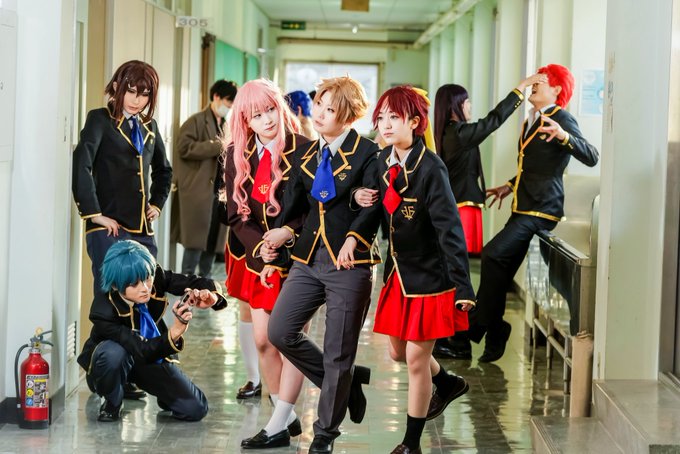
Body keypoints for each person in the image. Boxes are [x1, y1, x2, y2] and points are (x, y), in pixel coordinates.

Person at [263, 75, 381, 453]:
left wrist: (353, 237)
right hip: (308, 258)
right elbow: (296, 209)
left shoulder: (368, 153)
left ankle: (325, 434)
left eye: (330, 109)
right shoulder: (306, 155)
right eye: (318, 105)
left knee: (338, 353)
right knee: (280, 331)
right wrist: (282, 233)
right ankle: (347, 382)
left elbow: (373, 205)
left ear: (348, 116)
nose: (320, 114)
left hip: (350, 264)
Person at [357, 85, 475, 453]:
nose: (385, 124)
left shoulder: (431, 167)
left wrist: (463, 286)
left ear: (414, 121)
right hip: (398, 273)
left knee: (415, 359)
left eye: (394, 117)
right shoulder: (381, 161)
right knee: (396, 352)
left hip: (431, 278)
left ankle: (411, 444)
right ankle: (447, 383)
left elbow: (450, 230)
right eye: (381, 117)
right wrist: (358, 197)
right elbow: (371, 206)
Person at [461, 64, 599, 363]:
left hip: (542, 210)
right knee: (499, 268)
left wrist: (563, 136)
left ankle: (477, 325)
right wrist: (509, 186)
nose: (534, 85)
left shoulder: (562, 119)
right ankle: (495, 332)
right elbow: (534, 167)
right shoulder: (531, 120)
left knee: (492, 254)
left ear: (557, 89)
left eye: (542, 81)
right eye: (533, 81)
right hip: (523, 207)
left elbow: (592, 156)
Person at [218, 78, 311, 449]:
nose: (267, 120)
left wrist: (287, 233)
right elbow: (236, 214)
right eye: (257, 115)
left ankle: (276, 423)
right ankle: (285, 418)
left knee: (289, 341)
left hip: (300, 261)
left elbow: (316, 209)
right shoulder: (235, 154)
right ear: (245, 120)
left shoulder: (304, 148)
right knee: (263, 341)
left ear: (280, 107)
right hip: (261, 261)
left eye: (271, 109)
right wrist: (260, 247)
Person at [431, 73, 546, 360]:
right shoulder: (457, 133)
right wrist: (519, 91)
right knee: (456, 276)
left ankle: (461, 336)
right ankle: (461, 337)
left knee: (455, 275)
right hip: (459, 210)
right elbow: (493, 121)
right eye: (467, 102)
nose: (470, 107)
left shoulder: (450, 133)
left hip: (461, 209)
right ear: (455, 106)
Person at [77, 240, 228, 422]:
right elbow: (140, 348)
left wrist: (211, 296)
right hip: (114, 363)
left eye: (147, 279)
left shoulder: (152, 274)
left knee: (195, 408)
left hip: (149, 355)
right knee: (113, 353)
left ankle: (155, 392)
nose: (145, 288)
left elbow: (193, 281)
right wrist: (175, 332)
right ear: (116, 285)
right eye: (134, 284)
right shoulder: (102, 311)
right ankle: (112, 401)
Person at [72, 60, 172, 287]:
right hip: (109, 227)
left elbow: (163, 170)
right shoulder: (100, 119)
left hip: (142, 229)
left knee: (147, 290)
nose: (137, 101)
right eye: (132, 92)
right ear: (117, 87)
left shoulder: (150, 126)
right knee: (111, 296)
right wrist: (94, 214)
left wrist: (156, 203)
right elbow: (81, 165)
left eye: (144, 95)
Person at [174, 79, 238, 278]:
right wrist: (217, 145)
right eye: (228, 101)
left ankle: (206, 281)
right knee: (195, 240)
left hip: (219, 190)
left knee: (213, 238)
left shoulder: (226, 124)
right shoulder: (196, 121)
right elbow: (184, 148)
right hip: (199, 190)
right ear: (216, 97)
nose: (229, 106)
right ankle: (186, 281)